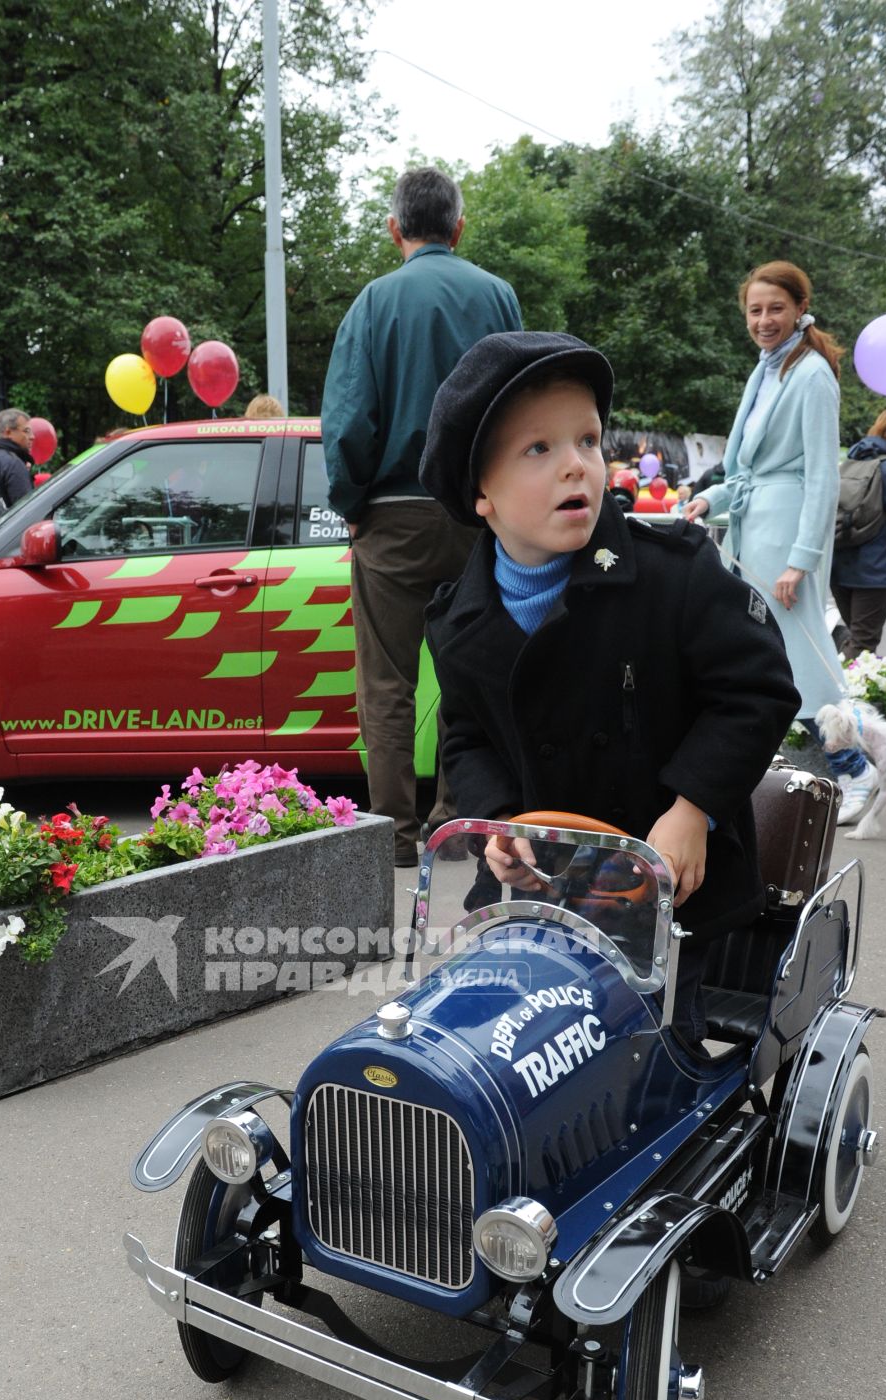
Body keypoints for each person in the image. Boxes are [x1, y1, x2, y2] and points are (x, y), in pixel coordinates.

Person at [420, 331, 799, 1046]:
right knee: (502, 1045)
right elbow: (466, 738)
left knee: (651, 1051)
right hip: (531, 886)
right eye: (538, 450)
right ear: (480, 494)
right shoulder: (458, 619)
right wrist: (497, 821)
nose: (577, 466)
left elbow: (756, 691)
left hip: (665, 887)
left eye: (587, 441)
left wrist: (693, 809)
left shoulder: (672, 573)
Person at [321, 166, 523, 866]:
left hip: (391, 516)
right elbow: (517, 408)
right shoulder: (497, 296)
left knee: (386, 684)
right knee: (469, 673)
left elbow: (347, 423)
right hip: (476, 514)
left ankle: (393, 837)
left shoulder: (373, 303)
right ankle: (455, 822)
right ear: (458, 227)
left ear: (393, 228)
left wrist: (350, 506)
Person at [684, 260, 875, 824]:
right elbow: (746, 472)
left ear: (799, 309)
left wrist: (802, 560)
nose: (764, 320)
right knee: (763, 651)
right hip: (757, 527)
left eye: (775, 309)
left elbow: (822, 474)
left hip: (788, 534)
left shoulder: (811, 372)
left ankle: (855, 768)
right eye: (755, 310)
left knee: (802, 654)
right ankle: (772, 767)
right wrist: (710, 501)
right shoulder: (768, 369)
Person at [830, 407, 886, 657]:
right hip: (875, 570)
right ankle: (838, 694)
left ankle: (834, 685)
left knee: (854, 636)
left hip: (837, 564)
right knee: (863, 644)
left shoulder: (848, 463)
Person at [0, 409, 35, 507]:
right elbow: (26, 510)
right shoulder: (13, 463)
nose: (32, 437)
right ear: (8, 432)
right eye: (26, 431)